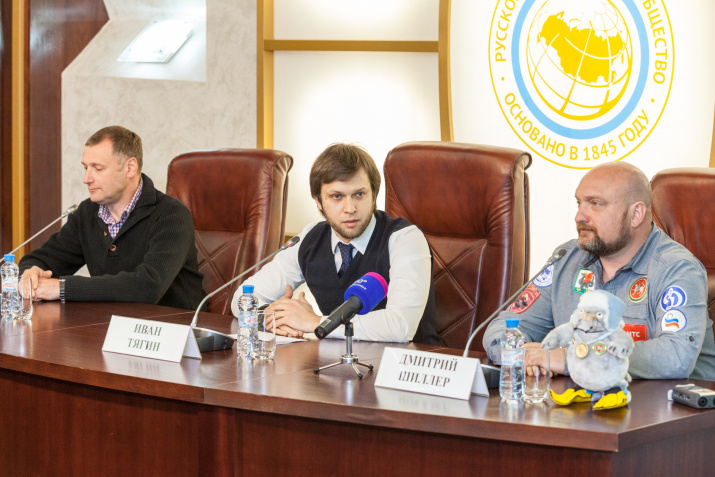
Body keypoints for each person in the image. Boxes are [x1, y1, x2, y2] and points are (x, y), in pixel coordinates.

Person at [483, 161, 715, 381]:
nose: (580, 216)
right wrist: (524, 354)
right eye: (579, 203)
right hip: (581, 412)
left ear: (636, 214)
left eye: (595, 204)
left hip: (669, 414)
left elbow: (677, 355)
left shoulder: (677, 269)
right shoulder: (565, 259)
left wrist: (574, 358)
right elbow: (504, 326)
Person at [231, 143, 439, 344]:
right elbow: (242, 298)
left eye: (359, 194)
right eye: (336, 196)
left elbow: (400, 326)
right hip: (336, 369)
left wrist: (315, 323)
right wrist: (271, 317)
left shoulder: (405, 238)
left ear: (374, 194)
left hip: (407, 371)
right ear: (318, 201)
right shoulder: (310, 239)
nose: (350, 208)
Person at [19, 126, 204, 310]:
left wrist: (61, 288)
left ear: (130, 168)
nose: (86, 178)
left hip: (175, 331)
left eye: (98, 168)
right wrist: (31, 274)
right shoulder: (87, 213)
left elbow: (148, 286)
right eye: (85, 168)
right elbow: (40, 260)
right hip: (110, 328)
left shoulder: (171, 215)